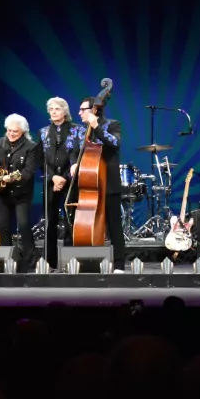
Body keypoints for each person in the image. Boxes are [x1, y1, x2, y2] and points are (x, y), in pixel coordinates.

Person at [70, 96, 126, 273]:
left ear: (94, 110)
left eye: (83, 109)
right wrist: (73, 163)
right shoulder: (79, 130)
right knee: (85, 222)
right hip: (87, 183)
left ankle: (119, 264)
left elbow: (114, 143)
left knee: (114, 224)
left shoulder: (112, 125)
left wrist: (96, 127)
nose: (79, 113)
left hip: (108, 182)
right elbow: (74, 151)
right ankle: (88, 261)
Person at [0, 113, 41, 273]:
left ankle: (31, 260)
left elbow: (28, 172)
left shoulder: (31, 147)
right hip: (3, 193)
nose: (11, 134)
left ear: (23, 132)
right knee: (3, 226)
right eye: (9, 130)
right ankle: (8, 258)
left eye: (15, 131)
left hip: (21, 193)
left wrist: (11, 178)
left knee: (23, 225)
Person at [38, 97, 86, 269]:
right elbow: (41, 159)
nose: (53, 112)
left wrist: (64, 177)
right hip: (51, 181)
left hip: (70, 181)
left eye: (57, 109)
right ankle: (49, 263)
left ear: (65, 111)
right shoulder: (43, 132)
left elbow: (79, 155)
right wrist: (53, 177)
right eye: (51, 109)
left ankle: (69, 262)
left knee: (70, 221)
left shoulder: (78, 130)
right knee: (49, 221)